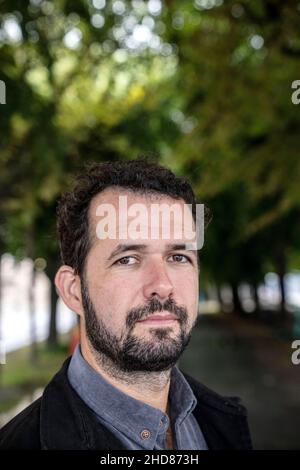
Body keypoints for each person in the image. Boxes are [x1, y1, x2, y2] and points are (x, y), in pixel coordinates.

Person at [0, 159, 252, 450]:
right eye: (127, 259)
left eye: (178, 257)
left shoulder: (221, 422)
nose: (161, 285)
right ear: (73, 291)